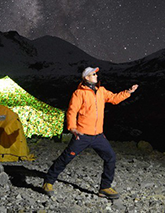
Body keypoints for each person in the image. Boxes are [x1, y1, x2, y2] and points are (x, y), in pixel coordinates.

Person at [43, 66, 138, 199]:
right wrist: (72, 128)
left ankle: (105, 187)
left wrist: (128, 92)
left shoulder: (101, 91)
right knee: (66, 158)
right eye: (93, 74)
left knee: (110, 157)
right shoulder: (79, 93)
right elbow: (72, 111)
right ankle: (48, 182)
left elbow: (114, 99)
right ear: (86, 77)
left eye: (96, 74)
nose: (96, 76)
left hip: (98, 135)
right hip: (82, 135)